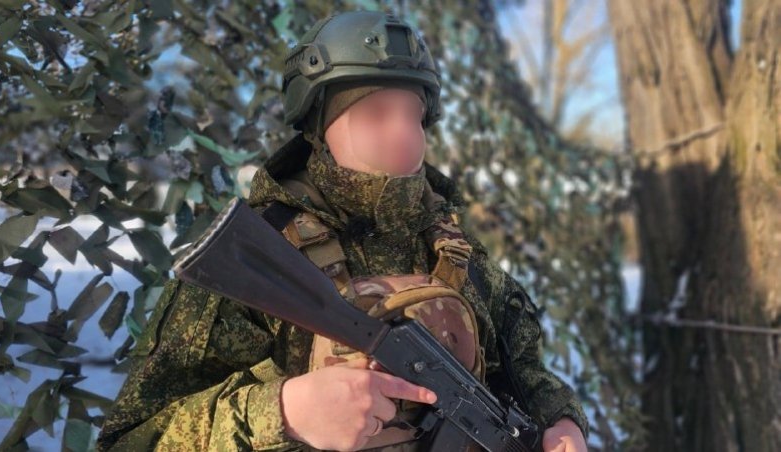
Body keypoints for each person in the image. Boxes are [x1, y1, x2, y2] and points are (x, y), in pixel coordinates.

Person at [97, 11, 589, 452]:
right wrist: (283, 414)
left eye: (414, 114)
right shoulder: (260, 255)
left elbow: (523, 372)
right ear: (319, 124)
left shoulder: (455, 248)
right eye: (375, 113)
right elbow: (132, 440)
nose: (404, 133)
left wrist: (560, 422)